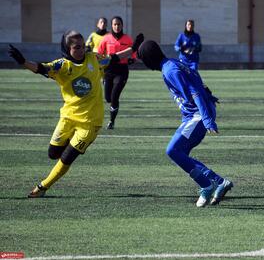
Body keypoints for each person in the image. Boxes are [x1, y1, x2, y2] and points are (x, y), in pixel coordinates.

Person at [7, 30, 141, 198]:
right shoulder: (62, 66)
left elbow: (114, 57)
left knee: (67, 157)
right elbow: (41, 68)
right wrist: (23, 61)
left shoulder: (94, 59)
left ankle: (42, 187)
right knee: (52, 154)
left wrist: (134, 47)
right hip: (68, 118)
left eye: (83, 45)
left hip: (90, 123)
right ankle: (72, 143)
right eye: (77, 47)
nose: (82, 49)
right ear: (67, 49)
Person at [137, 40, 233, 207]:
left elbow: (194, 92)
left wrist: (207, 119)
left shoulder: (170, 70)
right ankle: (219, 182)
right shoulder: (172, 63)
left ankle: (206, 185)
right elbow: (196, 80)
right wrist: (209, 97)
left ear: (149, 58)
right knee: (181, 156)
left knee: (172, 150)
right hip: (195, 114)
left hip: (197, 115)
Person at [97, 16, 136, 130]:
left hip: (121, 70)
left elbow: (133, 54)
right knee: (108, 98)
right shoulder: (106, 38)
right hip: (108, 70)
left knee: (114, 97)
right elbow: (99, 54)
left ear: (122, 25)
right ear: (112, 26)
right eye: (115, 24)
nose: (117, 26)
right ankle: (111, 110)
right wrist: (100, 64)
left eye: (119, 24)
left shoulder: (128, 39)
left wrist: (131, 59)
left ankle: (111, 121)